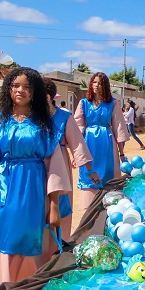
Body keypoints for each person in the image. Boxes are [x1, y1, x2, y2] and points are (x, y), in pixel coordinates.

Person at [0, 67, 71, 285]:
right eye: (15, 86)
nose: (20, 90)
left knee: (35, 246)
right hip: (2, 195)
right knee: (5, 245)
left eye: (27, 86)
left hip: (34, 194)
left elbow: (55, 168)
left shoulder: (45, 126)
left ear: (35, 92)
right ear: (8, 90)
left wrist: (53, 206)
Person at [43, 77, 99, 251]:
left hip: (59, 169)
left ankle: (61, 246)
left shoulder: (64, 117)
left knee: (61, 205)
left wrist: (90, 170)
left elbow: (78, 145)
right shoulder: (31, 117)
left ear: (46, 97)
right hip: (36, 168)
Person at [75, 72, 129, 210]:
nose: (96, 85)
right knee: (88, 174)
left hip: (106, 142)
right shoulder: (84, 103)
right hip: (89, 142)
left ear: (105, 86)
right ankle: (89, 208)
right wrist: (78, 153)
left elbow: (119, 128)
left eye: (99, 83)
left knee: (108, 174)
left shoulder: (112, 103)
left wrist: (121, 154)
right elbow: (77, 126)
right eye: (94, 82)